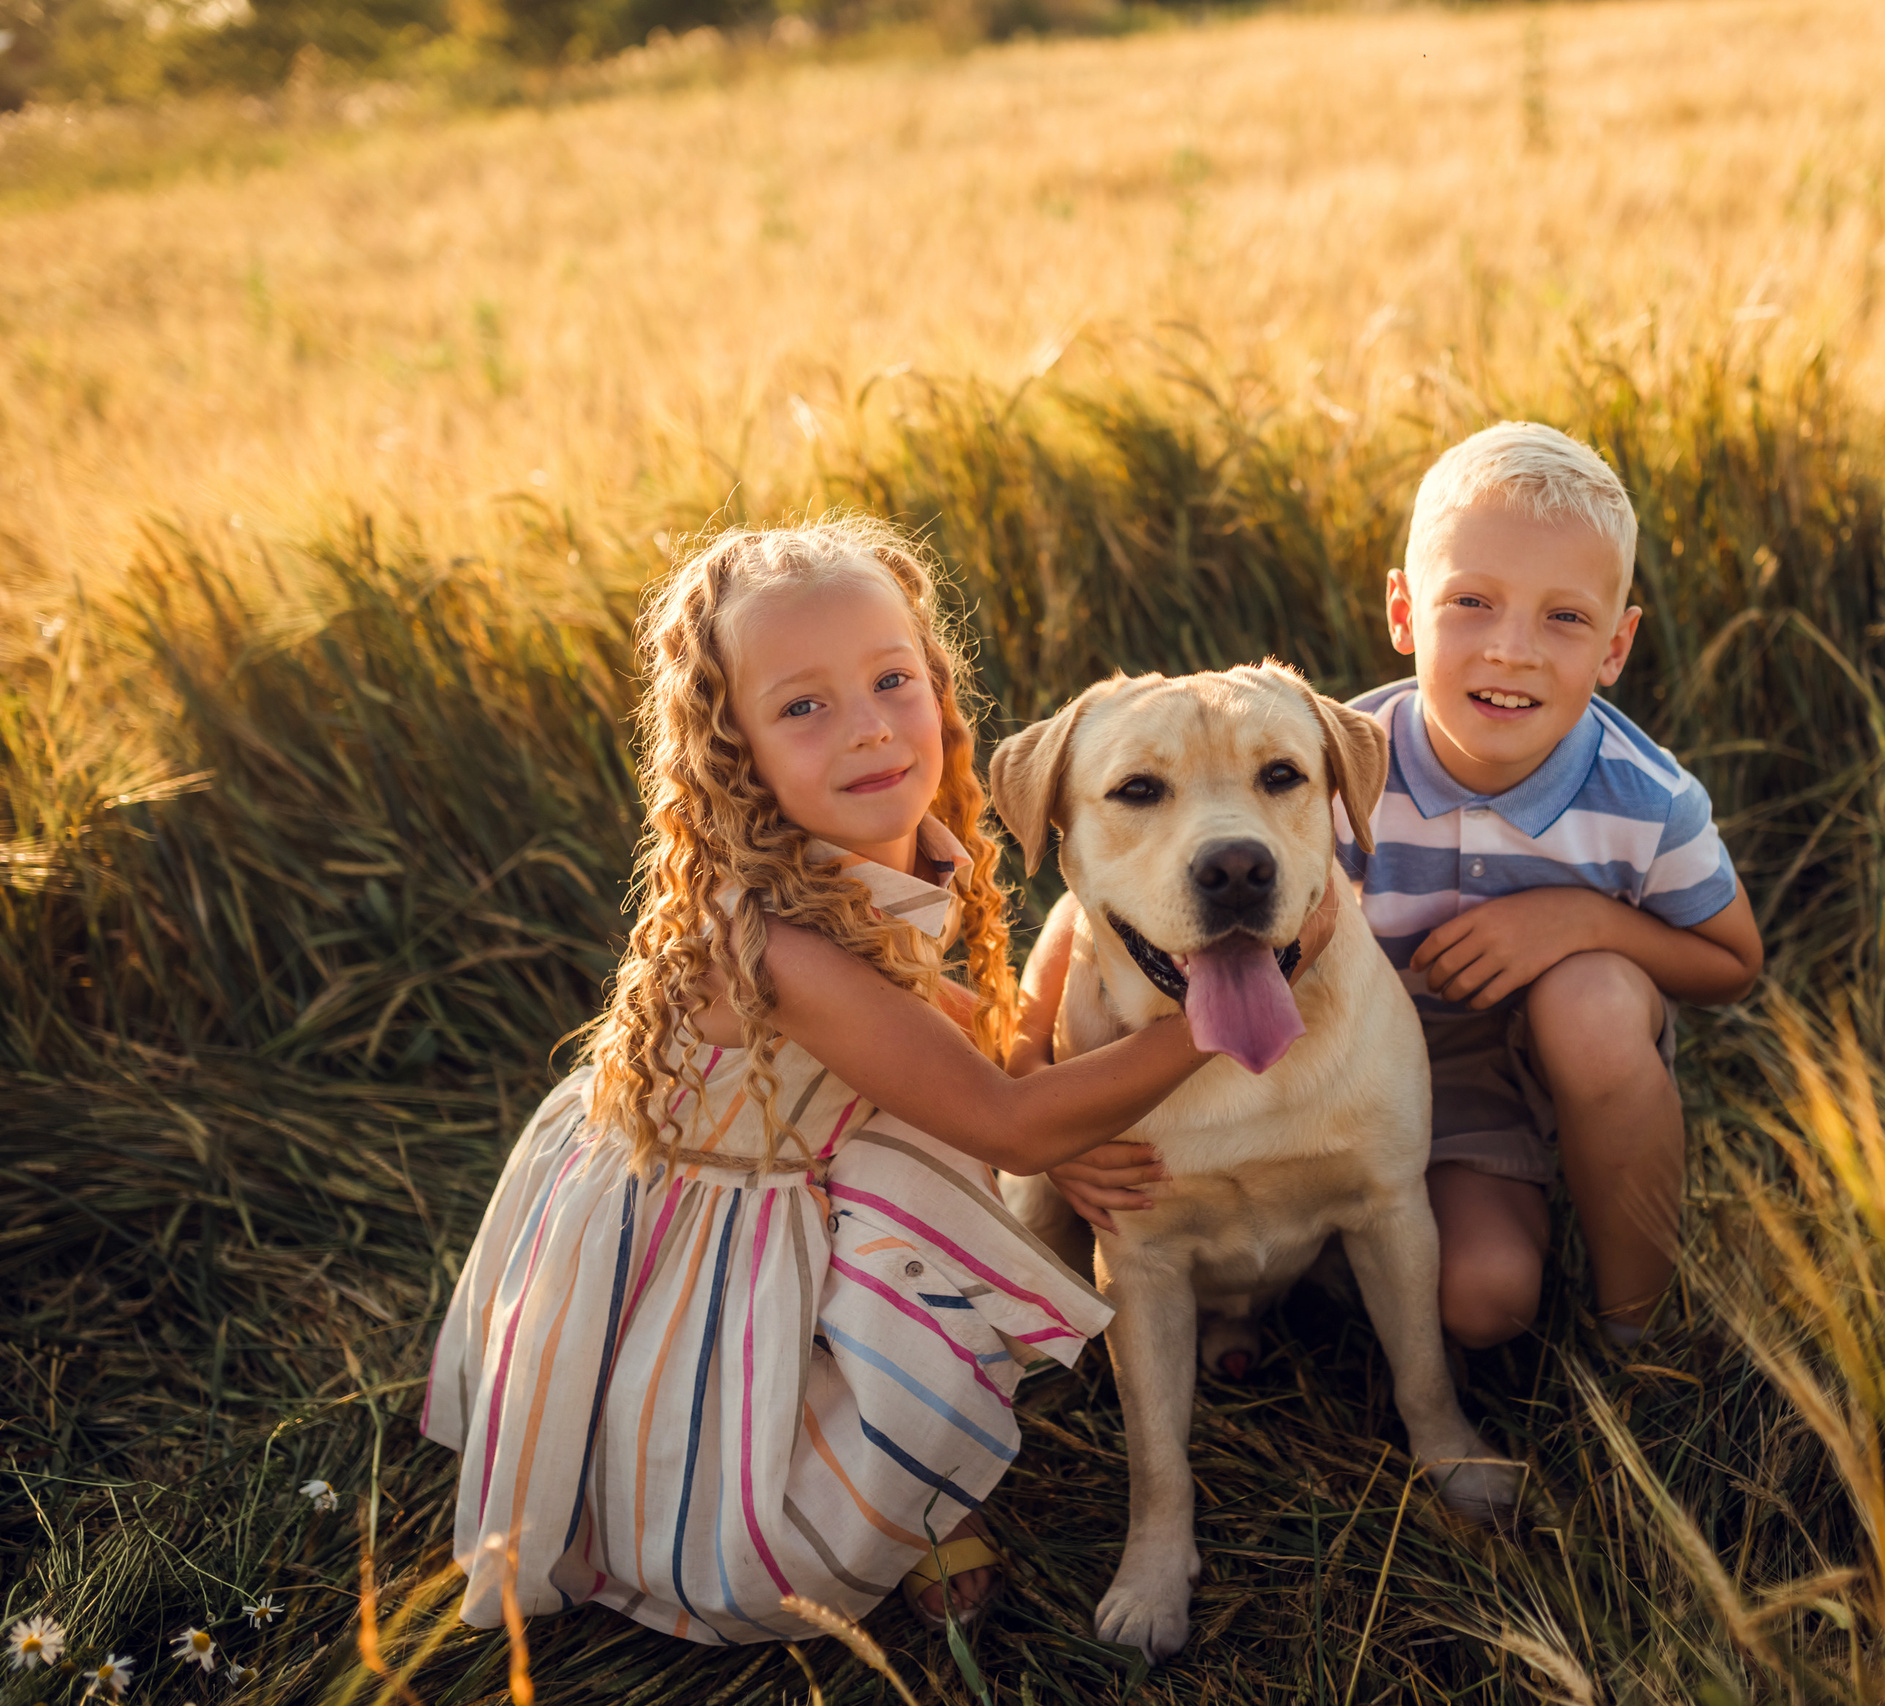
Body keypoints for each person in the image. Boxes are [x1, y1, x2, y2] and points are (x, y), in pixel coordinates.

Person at [422, 519, 1318, 1644]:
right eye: (803, 705)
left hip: (795, 1157)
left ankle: (893, 1461)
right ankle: (798, 1495)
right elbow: (1004, 1117)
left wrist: (1053, 1032)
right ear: (732, 748)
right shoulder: (776, 943)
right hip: (709, 1219)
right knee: (794, 1397)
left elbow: (955, 1034)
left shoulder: (865, 856)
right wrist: (1235, 986)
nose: (868, 728)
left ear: (936, 687)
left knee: (952, 1191)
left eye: (892, 679)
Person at [1333, 423, 1762, 1354]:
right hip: (1345, 1081)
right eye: (1473, 602)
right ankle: (1297, 1261)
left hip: (1487, 1087)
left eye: (1565, 618)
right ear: (1405, 613)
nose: (1513, 650)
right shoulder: (1334, 771)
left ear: (1616, 644)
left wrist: (1581, 919)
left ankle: (1637, 1338)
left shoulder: (1645, 802)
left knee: (1487, 1302)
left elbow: (1733, 963)